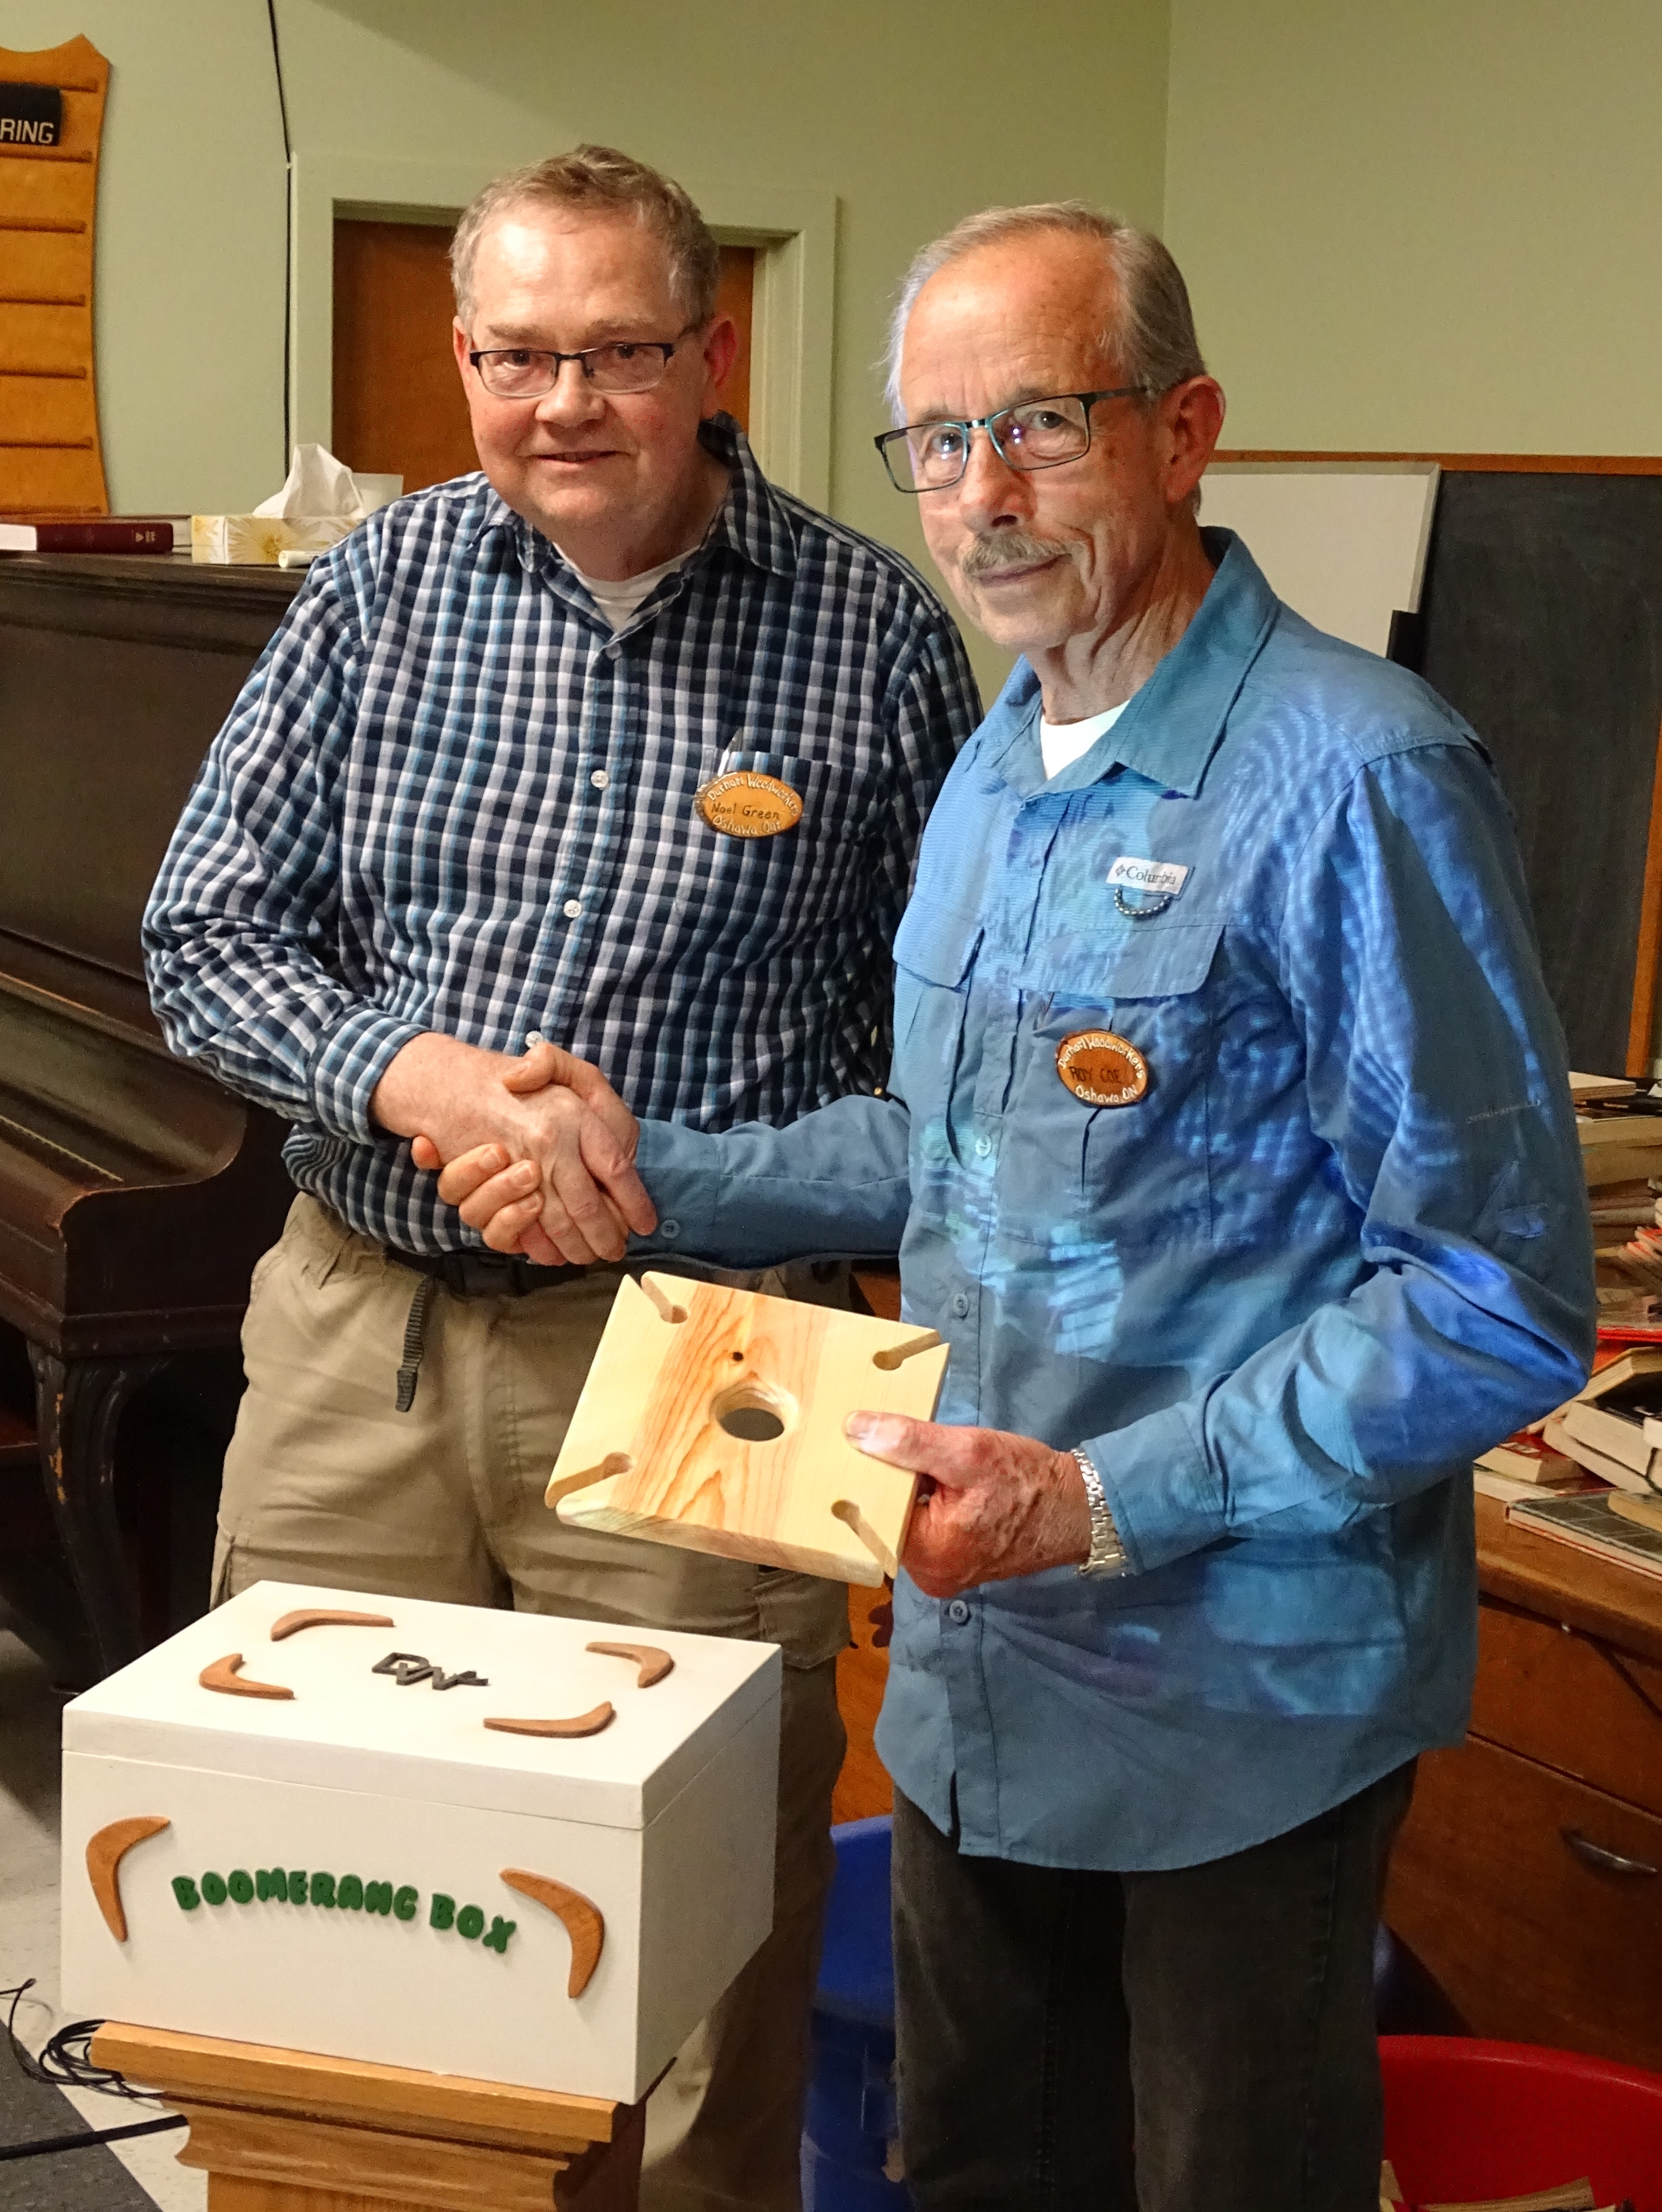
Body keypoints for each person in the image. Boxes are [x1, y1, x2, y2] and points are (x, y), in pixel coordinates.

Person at [434, 203, 1595, 2211]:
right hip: (983, 1676)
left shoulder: (1359, 777)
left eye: (1042, 425)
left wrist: (1100, 1500)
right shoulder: (1000, 761)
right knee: (975, 2170)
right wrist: (646, 1167)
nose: (982, 495)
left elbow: (1494, 1292)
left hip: (1240, 1710)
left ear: (1182, 430)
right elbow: (947, 1149)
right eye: (938, 440)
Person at [143, 145, 980, 2212]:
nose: (565, 403)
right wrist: (429, 1083)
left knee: (700, 1961)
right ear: (461, 358)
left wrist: (647, 1173)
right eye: (518, 356)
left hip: (723, 1353)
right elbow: (203, 935)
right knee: (320, 1884)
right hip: (369, 1328)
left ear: (712, 353)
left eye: (618, 352)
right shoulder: (374, 592)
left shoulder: (876, 633)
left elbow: (943, 1098)